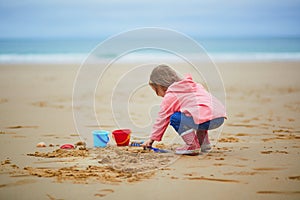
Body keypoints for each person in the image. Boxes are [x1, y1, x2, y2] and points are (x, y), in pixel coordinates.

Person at [142, 64, 226, 155]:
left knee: (176, 118)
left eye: (156, 90)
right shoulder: (193, 85)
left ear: (160, 85)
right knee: (197, 114)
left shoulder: (171, 95)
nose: (157, 94)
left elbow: (162, 118)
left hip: (206, 120)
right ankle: (204, 144)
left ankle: (192, 145)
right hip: (219, 117)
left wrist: (151, 139)